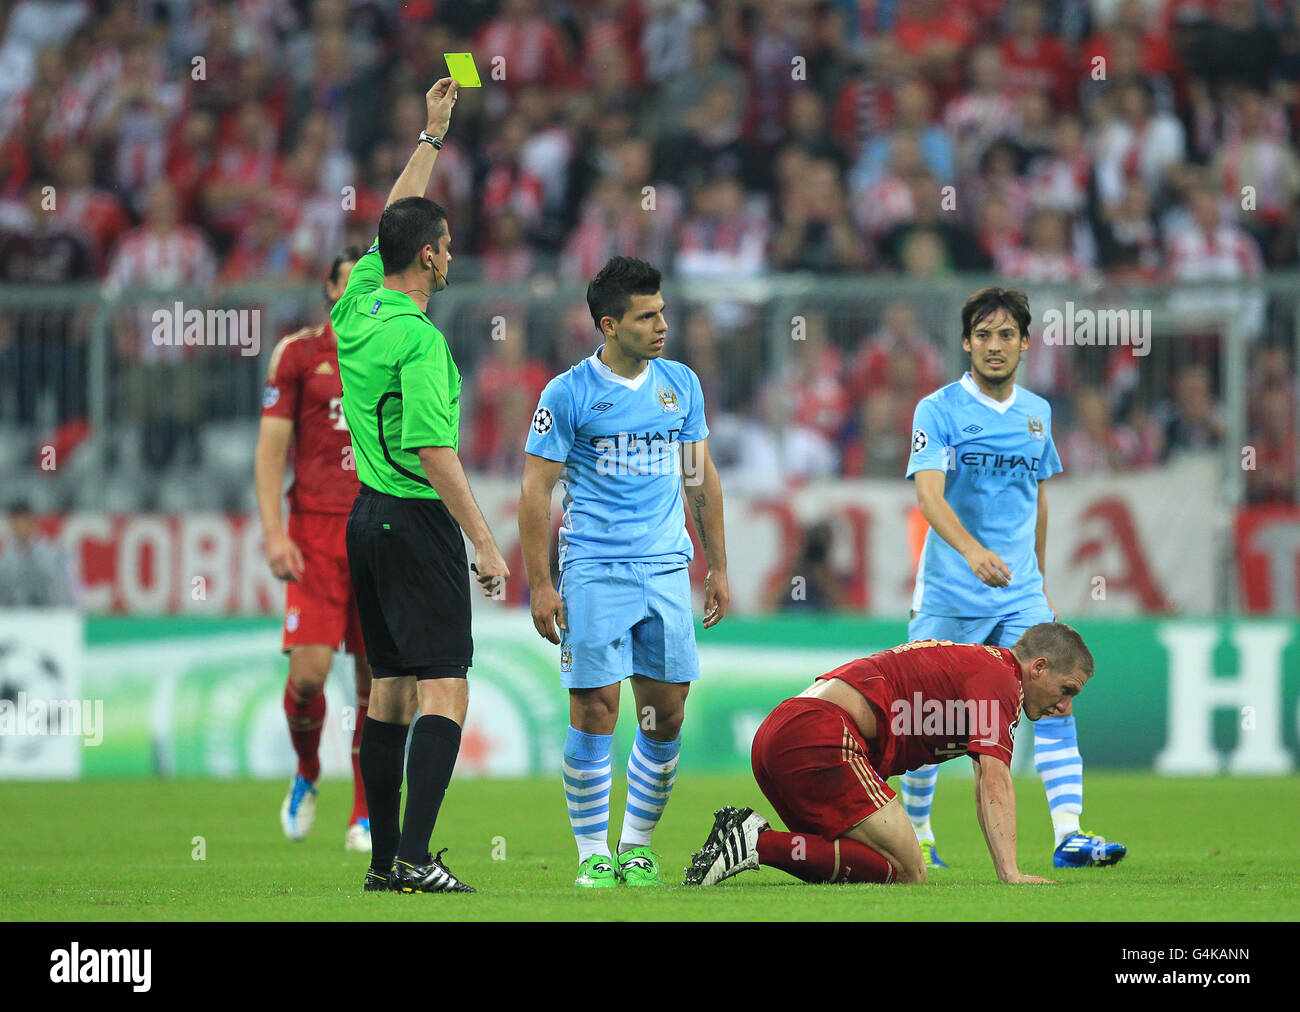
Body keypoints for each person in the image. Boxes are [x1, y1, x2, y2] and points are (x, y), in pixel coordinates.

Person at [333, 77, 510, 894]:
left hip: (364, 518)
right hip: (415, 517)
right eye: (443, 242)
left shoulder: (356, 308)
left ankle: (382, 863)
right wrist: (483, 539)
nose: (449, 250)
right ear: (433, 255)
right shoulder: (422, 344)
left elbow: (392, 221)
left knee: (390, 694)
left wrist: (431, 137)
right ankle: (412, 856)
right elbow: (437, 453)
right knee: (445, 686)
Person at [517, 256, 730, 887]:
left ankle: (636, 845)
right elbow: (536, 490)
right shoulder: (567, 393)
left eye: (662, 310)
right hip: (593, 568)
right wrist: (541, 582)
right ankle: (592, 855)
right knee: (596, 710)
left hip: (667, 566)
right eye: (647, 315)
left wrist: (717, 566)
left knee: (665, 713)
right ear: (610, 325)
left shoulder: (680, 384)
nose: (662, 323)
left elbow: (700, 477)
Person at [899, 286, 1125, 869]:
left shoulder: (1037, 413)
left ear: (1024, 343)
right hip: (951, 588)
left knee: (1055, 698)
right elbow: (927, 494)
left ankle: (1069, 835)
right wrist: (972, 551)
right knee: (929, 714)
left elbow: (1038, 498)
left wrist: (1040, 576)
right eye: (984, 335)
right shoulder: (939, 408)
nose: (995, 346)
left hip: (1020, 591)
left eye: (1007, 335)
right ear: (967, 342)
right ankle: (920, 831)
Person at [684, 624, 1091, 886]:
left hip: (782, 732)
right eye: (1067, 689)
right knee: (910, 871)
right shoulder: (1001, 679)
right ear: (1038, 667)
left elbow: (984, 779)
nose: (1065, 705)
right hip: (819, 734)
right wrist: (1011, 874)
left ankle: (752, 841)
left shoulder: (982, 667)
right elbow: (994, 779)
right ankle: (757, 842)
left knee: (872, 864)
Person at [255, 245, 373, 852]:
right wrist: (274, 534)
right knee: (309, 675)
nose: (357, 295)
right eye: (348, 284)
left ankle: (363, 812)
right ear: (330, 289)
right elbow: (271, 452)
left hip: (377, 528)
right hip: (313, 534)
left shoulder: (395, 352)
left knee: (374, 684)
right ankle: (306, 772)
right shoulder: (298, 355)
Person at [0, 502, 77, 607]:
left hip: (51, 616)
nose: (18, 528)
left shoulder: (53, 554)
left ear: (31, 522)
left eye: (21, 522)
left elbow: (67, 589)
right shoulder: (6, 560)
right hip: (16, 618)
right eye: (14, 523)